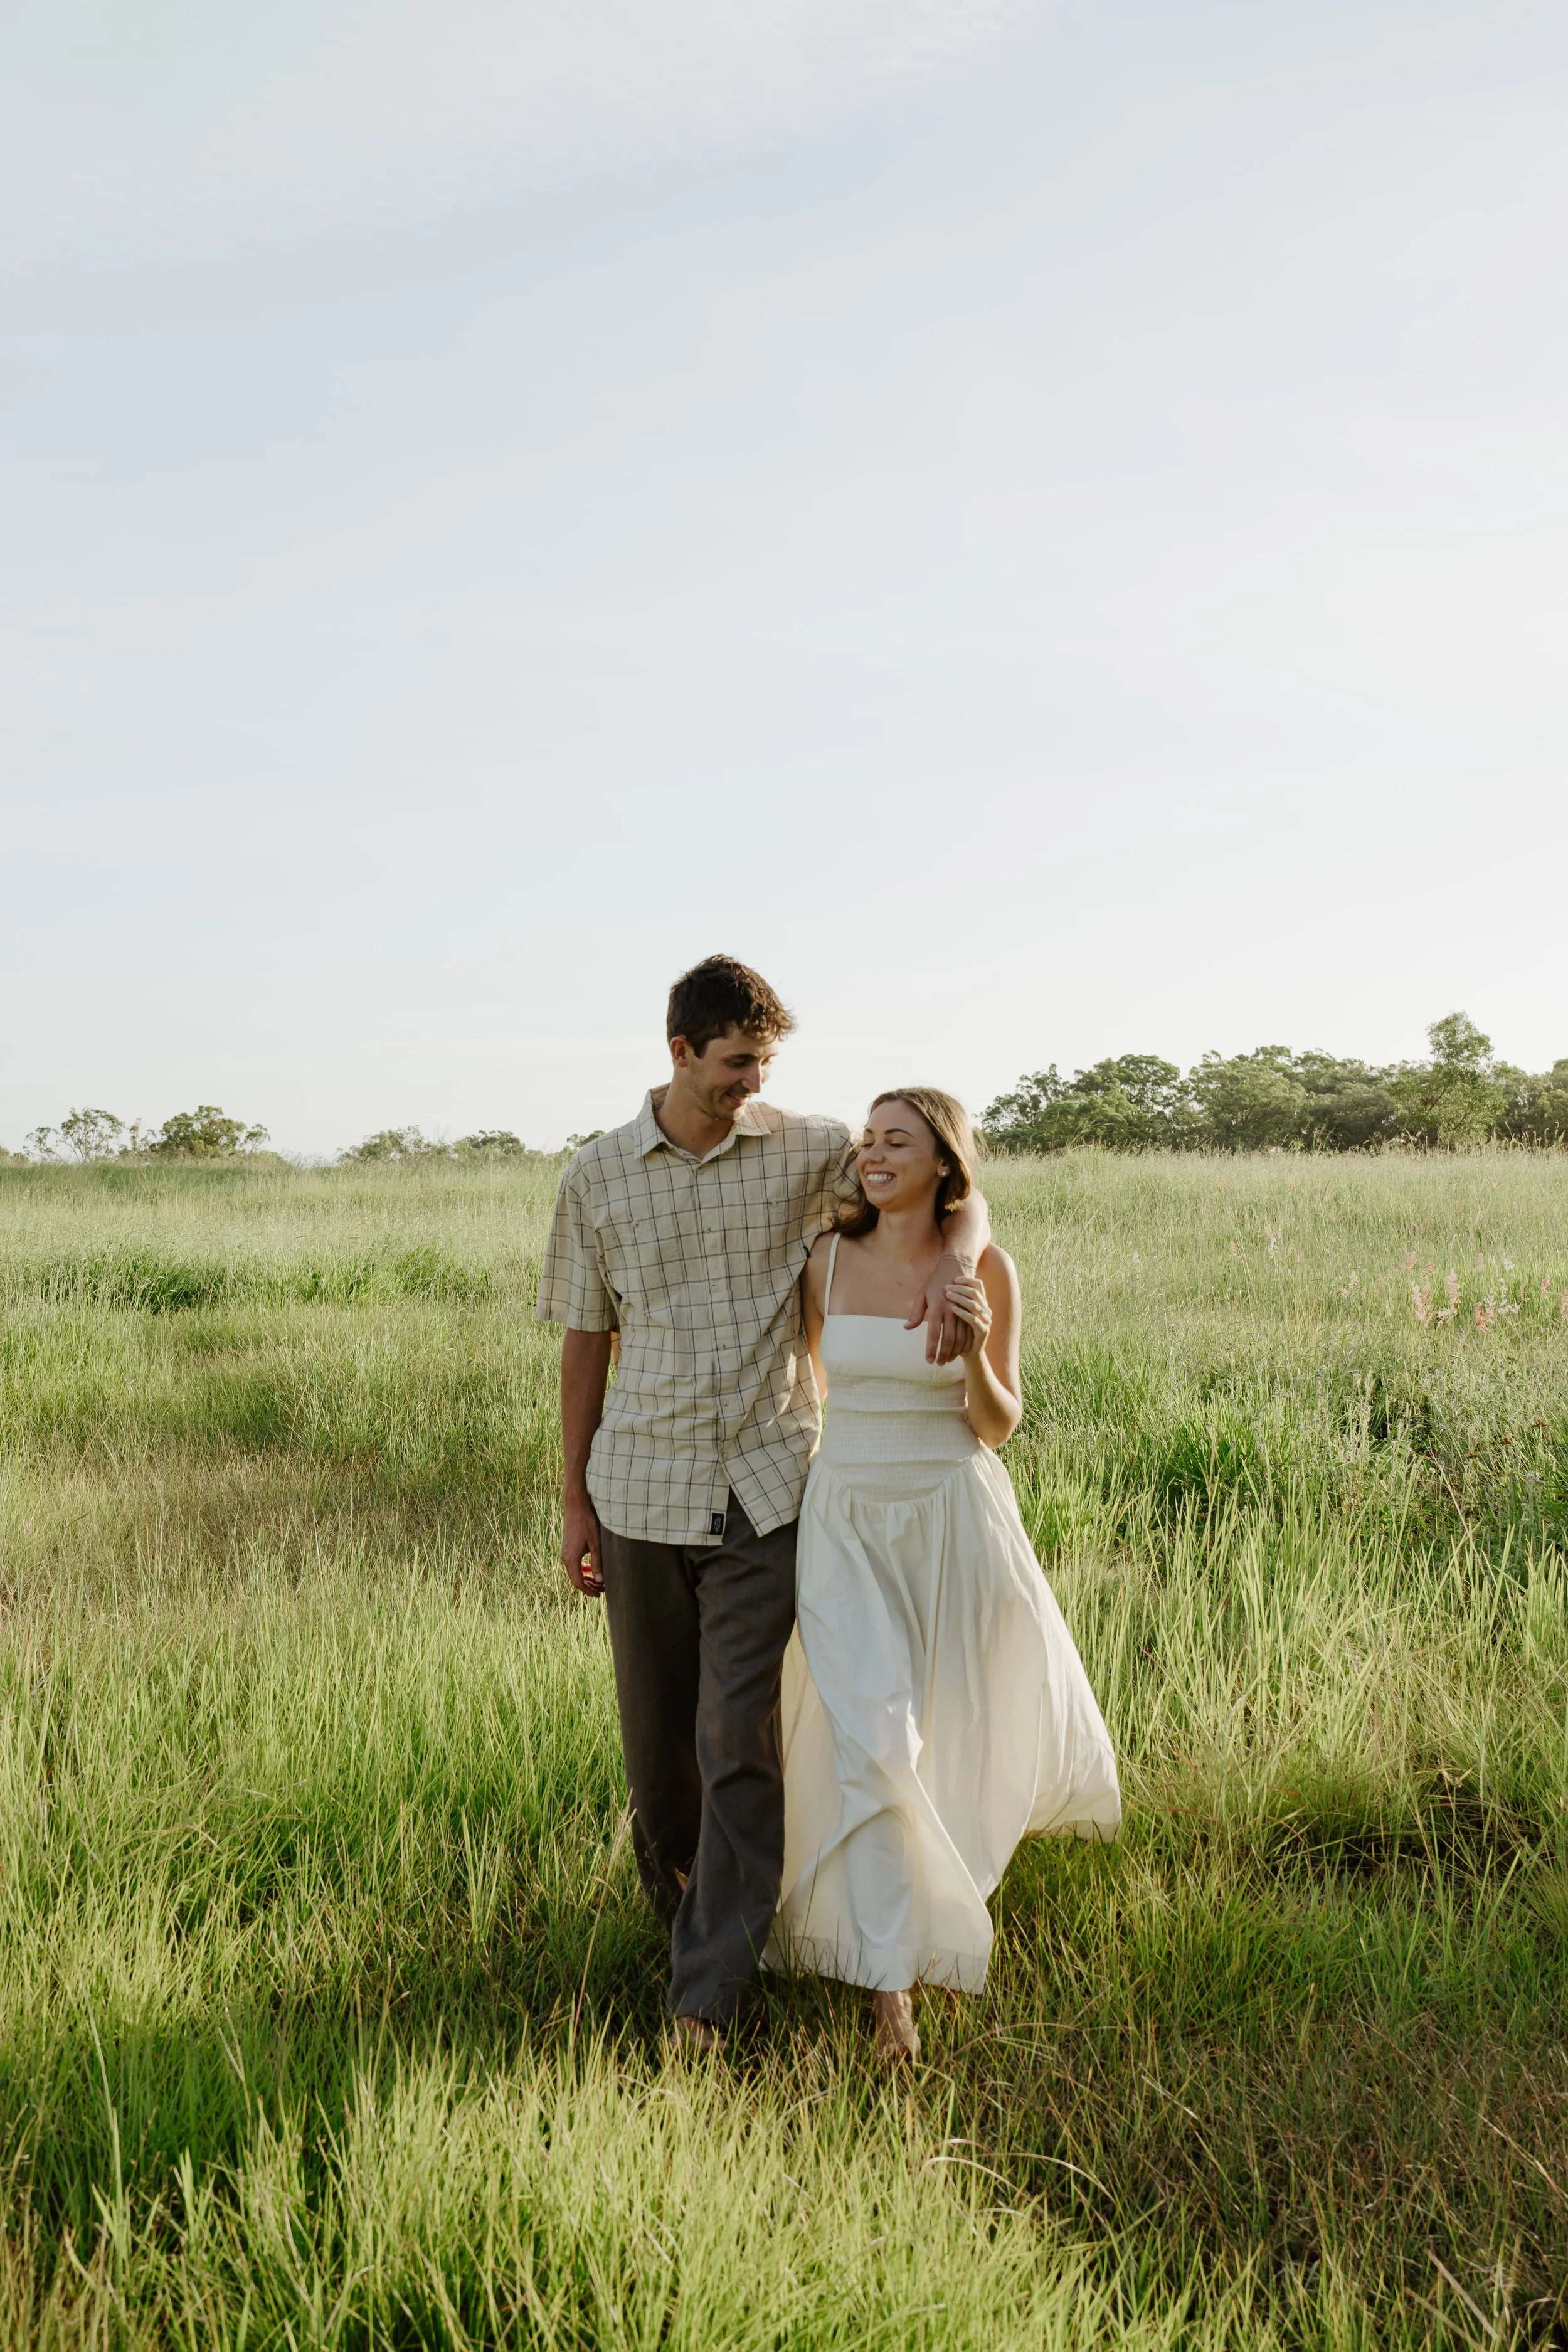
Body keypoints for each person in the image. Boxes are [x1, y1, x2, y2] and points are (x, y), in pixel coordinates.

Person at [535, 958, 991, 2050]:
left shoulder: (805, 1146)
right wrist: (574, 1500)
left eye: (764, 1063)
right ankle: (694, 1918)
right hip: (640, 1485)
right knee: (659, 1757)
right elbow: (583, 1341)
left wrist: (959, 1270)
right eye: (736, 1063)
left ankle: (707, 1991)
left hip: (771, 1485)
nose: (754, 1082)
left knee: (737, 1729)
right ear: (680, 1052)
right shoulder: (595, 1178)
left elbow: (942, 1184)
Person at [766, 1087, 1120, 2063]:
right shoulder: (825, 1260)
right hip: (845, 1519)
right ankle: (891, 1991)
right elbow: (818, 1384)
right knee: (874, 1733)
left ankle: (917, 1918)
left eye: (898, 1141)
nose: (874, 1154)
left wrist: (969, 1353)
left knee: (949, 1734)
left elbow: (1000, 1421)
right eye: (868, 1139)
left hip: (955, 1513)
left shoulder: (989, 1266)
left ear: (944, 1164)